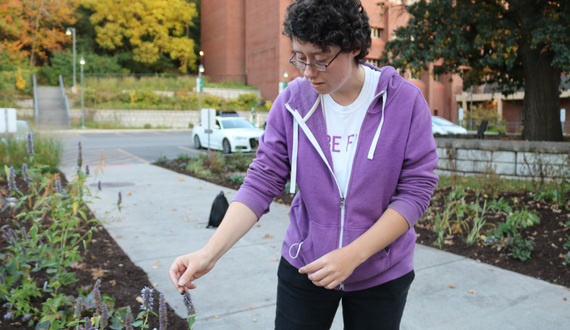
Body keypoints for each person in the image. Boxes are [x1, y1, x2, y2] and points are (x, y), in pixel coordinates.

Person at [169, 0, 438, 328]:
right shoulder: (292, 103)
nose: (307, 72)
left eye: (321, 61)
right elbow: (261, 182)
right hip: (305, 265)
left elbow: (416, 191)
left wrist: (353, 254)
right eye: (300, 57)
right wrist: (209, 252)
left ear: (354, 48)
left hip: (381, 273)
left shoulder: (404, 101)